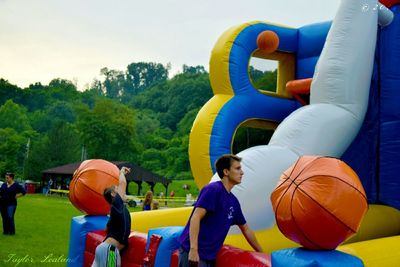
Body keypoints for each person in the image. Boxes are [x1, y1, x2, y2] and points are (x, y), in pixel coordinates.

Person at [178, 154, 263, 267]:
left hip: (210, 256)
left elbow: (246, 229)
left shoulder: (233, 201)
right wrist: (193, 249)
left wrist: (262, 253)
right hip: (194, 252)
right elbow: (196, 217)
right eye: (237, 168)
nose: (242, 172)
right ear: (226, 172)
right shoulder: (213, 190)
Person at [91, 167, 131, 267]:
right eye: (118, 189)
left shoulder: (116, 211)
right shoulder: (117, 204)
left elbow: (107, 229)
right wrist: (121, 172)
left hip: (104, 248)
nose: (123, 191)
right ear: (113, 194)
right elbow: (123, 183)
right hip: (110, 250)